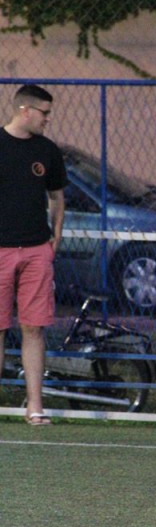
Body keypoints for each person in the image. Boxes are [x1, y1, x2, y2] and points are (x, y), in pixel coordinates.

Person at [0, 84, 66, 425]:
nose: (47, 119)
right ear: (25, 110)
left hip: (36, 250)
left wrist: (56, 235)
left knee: (34, 328)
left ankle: (35, 406)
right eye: (44, 112)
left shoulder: (47, 150)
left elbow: (56, 197)